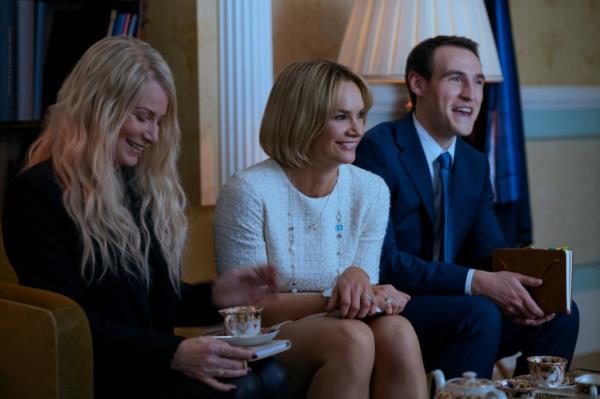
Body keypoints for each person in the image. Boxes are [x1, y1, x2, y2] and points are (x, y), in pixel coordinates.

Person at [2, 36, 287, 399]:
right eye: (142, 117)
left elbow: (152, 303)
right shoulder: (37, 194)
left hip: (153, 362)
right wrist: (174, 353)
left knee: (271, 373)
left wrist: (217, 294)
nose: (153, 135)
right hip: (106, 372)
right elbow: (71, 323)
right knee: (239, 387)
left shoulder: (137, 186)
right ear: (99, 107)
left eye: (159, 121)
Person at [354, 35, 579, 379]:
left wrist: (533, 282)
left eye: (478, 82)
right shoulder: (379, 149)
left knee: (560, 310)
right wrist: (477, 282)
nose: (471, 95)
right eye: (455, 78)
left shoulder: (474, 163)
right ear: (418, 83)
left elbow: (491, 253)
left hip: (460, 305)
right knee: (480, 313)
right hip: (396, 305)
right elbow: (384, 262)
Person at [214, 59, 427, 399]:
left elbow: (361, 294)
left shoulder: (371, 189)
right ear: (302, 120)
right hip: (266, 337)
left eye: (360, 115)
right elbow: (247, 309)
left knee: (398, 331)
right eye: (341, 116)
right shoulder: (248, 190)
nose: (357, 129)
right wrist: (333, 297)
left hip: (343, 323)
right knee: (352, 338)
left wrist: (361, 281)